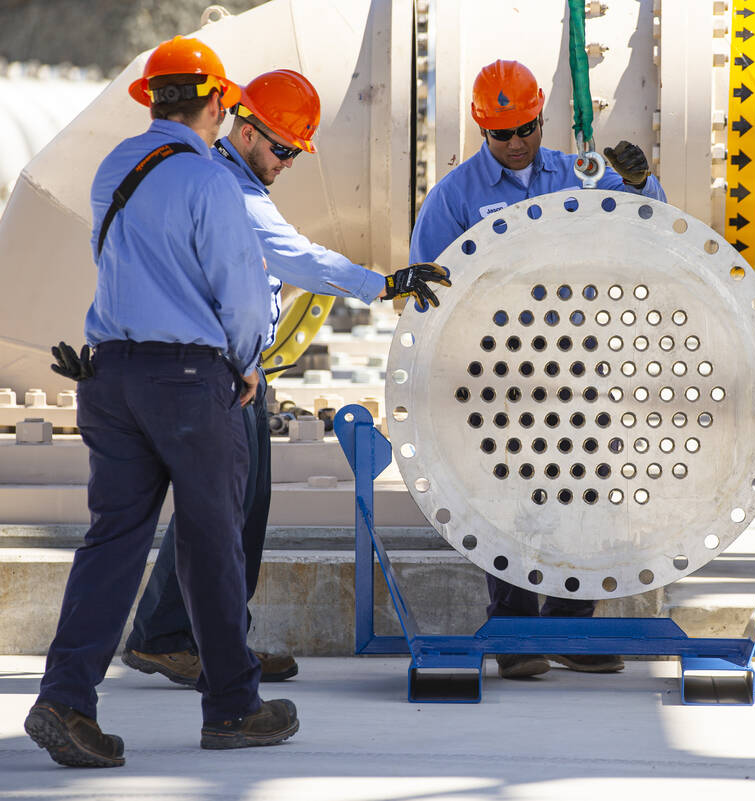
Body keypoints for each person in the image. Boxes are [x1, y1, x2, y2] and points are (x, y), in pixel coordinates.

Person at [120, 68, 450, 688]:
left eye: (296, 152)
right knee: (218, 509)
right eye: (282, 147)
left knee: (237, 508)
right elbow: (295, 255)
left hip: (236, 366)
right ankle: (173, 639)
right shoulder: (228, 189)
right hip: (222, 369)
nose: (288, 160)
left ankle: (212, 642)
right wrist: (380, 285)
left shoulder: (231, 180)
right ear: (244, 130)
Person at [25, 36, 297, 768]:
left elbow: (115, 262)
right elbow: (242, 292)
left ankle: (65, 699)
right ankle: (235, 707)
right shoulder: (210, 181)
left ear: (153, 99)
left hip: (108, 377)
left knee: (112, 540)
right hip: (188, 382)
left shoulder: (115, 168)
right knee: (211, 541)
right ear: (214, 102)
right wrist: (246, 364)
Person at [409, 59, 665, 680]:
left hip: (581, 361)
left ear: (541, 115)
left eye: (526, 128)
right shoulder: (455, 197)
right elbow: (428, 290)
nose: (517, 143)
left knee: (586, 493)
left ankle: (572, 629)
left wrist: (638, 181)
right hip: (500, 370)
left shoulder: (580, 176)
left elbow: (649, 223)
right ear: (481, 128)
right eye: (503, 135)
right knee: (508, 499)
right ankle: (516, 632)